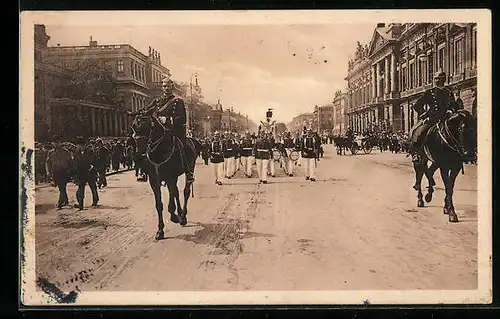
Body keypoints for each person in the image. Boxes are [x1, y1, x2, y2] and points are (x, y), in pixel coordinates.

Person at [408, 69, 472, 162]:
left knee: (461, 132)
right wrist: (425, 116)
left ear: (444, 80)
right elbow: (417, 105)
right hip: (432, 119)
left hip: (447, 119)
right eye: (436, 79)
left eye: (440, 79)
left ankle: (463, 152)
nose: (438, 81)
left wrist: (451, 110)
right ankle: (417, 154)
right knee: (421, 133)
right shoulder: (429, 92)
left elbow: (454, 105)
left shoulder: (449, 92)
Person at [143, 77, 194, 182]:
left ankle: (188, 171)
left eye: (168, 86)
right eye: (164, 86)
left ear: (172, 87)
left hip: (174, 130)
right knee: (145, 144)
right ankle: (144, 171)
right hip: (159, 131)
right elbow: (146, 110)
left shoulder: (178, 101)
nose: (166, 88)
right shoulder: (157, 101)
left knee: (183, 146)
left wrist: (167, 119)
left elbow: (182, 119)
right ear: (162, 87)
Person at [73, 136, 99, 210]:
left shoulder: (90, 151)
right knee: (81, 189)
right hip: (81, 173)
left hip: (90, 172)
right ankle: (80, 204)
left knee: (93, 187)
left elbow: (94, 161)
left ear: (83, 145)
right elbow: (75, 163)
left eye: (80, 145)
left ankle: (95, 200)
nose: (78, 147)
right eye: (77, 146)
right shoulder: (77, 153)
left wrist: (93, 167)